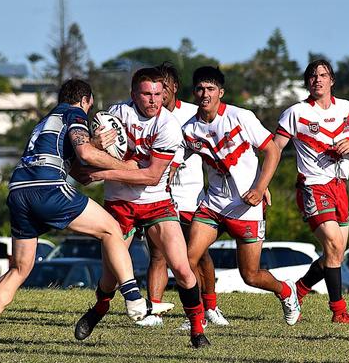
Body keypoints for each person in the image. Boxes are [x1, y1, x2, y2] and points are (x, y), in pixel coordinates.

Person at [0, 78, 174, 349]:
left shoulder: (45, 120)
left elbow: (78, 161)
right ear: (86, 100)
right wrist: (127, 167)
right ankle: (135, 300)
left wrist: (98, 148)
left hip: (18, 189)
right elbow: (85, 152)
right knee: (112, 229)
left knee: (20, 268)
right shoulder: (74, 112)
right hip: (47, 187)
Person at [74, 68, 209, 349]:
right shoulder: (115, 114)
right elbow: (94, 155)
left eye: (158, 94)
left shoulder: (169, 126)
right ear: (134, 94)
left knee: (183, 269)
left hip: (156, 203)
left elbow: (151, 176)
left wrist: (104, 174)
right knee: (110, 278)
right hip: (119, 205)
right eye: (147, 94)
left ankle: (197, 331)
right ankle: (98, 310)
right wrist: (98, 147)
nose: (153, 100)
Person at [182, 66, 301, 341]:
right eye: (200, 88)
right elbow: (173, 159)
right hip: (213, 205)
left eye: (211, 89)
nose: (205, 94)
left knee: (250, 275)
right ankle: (199, 318)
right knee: (188, 259)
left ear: (220, 93)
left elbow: (272, 150)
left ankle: (286, 290)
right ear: (194, 92)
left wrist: (260, 188)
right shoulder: (189, 128)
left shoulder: (240, 116)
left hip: (246, 207)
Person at [274, 59, 349, 323]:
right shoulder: (296, 112)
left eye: (323, 75)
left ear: (331, 80)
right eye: (313, 76)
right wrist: (262, 184)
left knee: (336, 253)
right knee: (334, 244)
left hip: (340, 186)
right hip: (313, 185)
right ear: (307, 82)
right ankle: (339, 310)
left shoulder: (346, 108)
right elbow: (275, 147)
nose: (318, 80)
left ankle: (299, 289)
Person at [137, 63, 229, 328]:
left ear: (174, 87)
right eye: (154, 89)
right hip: (158, 195)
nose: (158, 94)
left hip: (191, 196)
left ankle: (210, 307)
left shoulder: (192, 114)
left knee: (197, 254)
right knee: (158, 254)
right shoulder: (146, 117)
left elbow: (219, 147)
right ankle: (154, 312)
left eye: (163, 87)